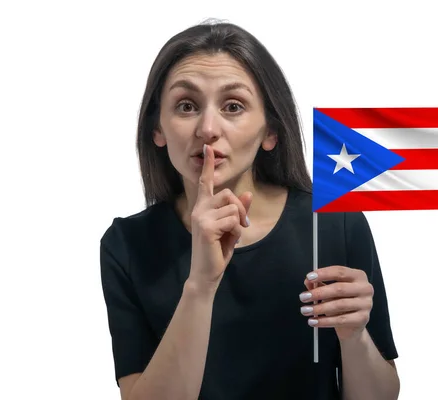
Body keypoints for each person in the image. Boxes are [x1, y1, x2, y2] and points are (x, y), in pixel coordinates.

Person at [99, 20, 400, 400]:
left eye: (233, 106)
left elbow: (382, 394)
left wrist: (355, 337)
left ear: (270, 132)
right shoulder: (127, 245)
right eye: (186, 106)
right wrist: (200, 285)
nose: (208, 128)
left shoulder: (334, 223)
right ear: (157, 129)